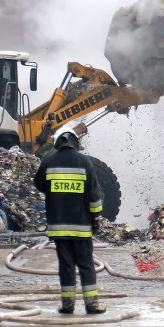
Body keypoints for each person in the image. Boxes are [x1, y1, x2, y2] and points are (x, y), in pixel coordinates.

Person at [33, 129, 106, 315]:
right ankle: (91, 305)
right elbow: (94, 194)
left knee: (65, 265)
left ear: (57, 142)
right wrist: (95, 217)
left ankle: (67, 305)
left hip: (59, 226)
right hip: (81, 227)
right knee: (86, 264)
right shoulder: (84, 162)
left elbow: (39, 184)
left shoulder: (49, 161)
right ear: (75, 141)